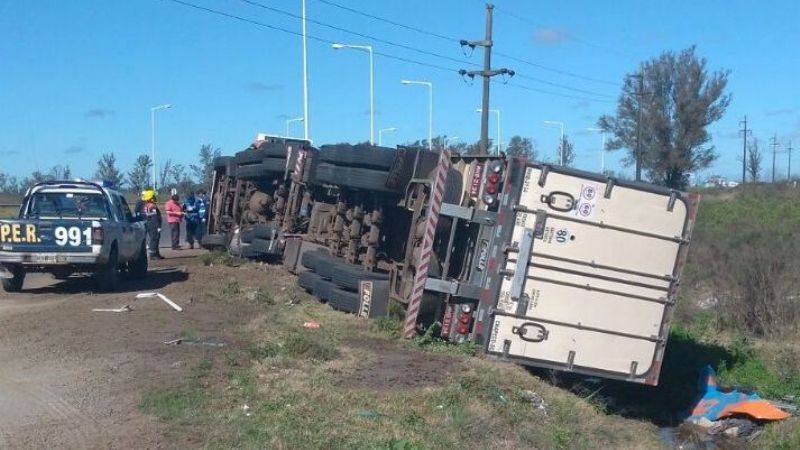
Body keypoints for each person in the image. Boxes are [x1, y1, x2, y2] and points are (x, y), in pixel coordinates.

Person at [139, 189, 163, 260]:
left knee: (155, 238)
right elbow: (154, 217)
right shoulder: (152, 206)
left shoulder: (146, 205)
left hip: (149, 223)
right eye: (153, 197)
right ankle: (153, 254)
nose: (155, 198)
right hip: (153, 225)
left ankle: (156, 253)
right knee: (154, 239)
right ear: (150, 198)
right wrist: (158, 226)